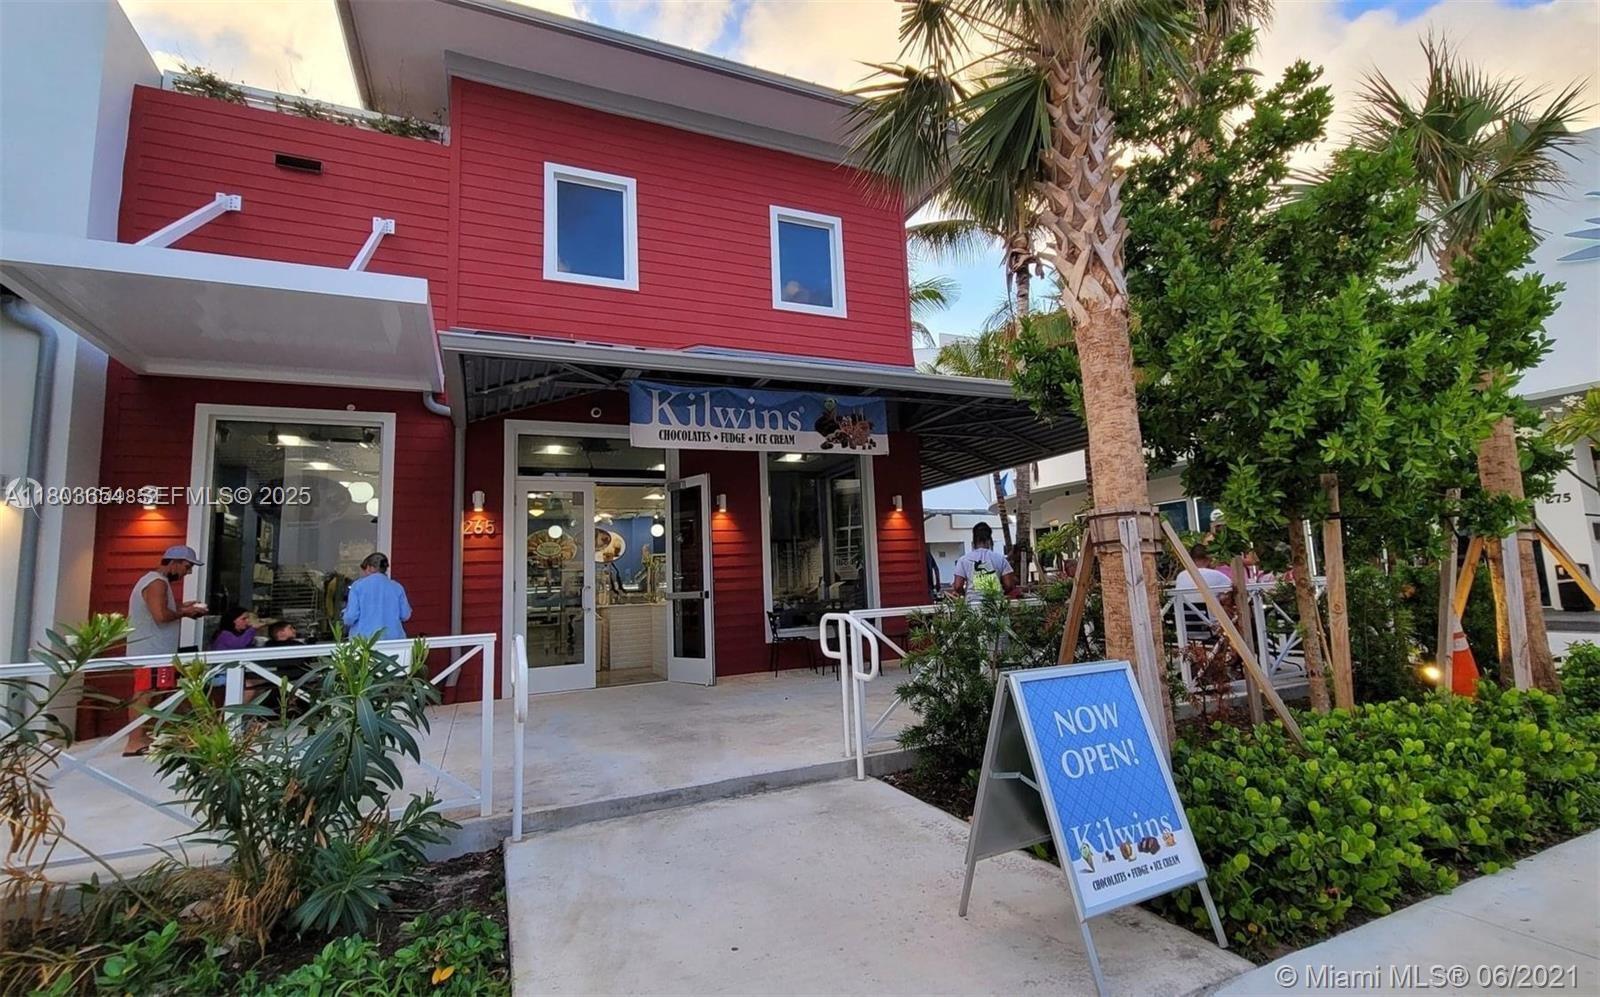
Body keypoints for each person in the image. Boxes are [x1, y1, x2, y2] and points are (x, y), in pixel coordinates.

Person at [124, 545, 208, 755]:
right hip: (150, 651)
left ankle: (144, 735)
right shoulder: (156, 582)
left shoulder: (157, 582)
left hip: (157, 651)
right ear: (174, 562)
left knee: (158, 691)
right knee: (144, 693)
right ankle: (134, 741)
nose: (187, 572)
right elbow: (160, 616)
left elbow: (161, 610)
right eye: (187, 567)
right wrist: (186, 613)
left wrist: (183, 607)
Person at [342, 552, 412, 639]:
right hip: (393, 640)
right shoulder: (397, 587)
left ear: (370, 567)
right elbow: (405, 615)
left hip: (365, 642)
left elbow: (350, 617)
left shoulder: (358, 586)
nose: (364, 574)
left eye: (365, 570)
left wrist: (344, 616)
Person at [948, 522, 1018, 602]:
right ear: (989, 540)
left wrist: (965, 595)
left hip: (973, 605)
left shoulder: (963, 560)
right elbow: (1009, 584)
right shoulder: (1000, 559)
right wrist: (1000, 593)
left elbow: (957, 586)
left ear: (974, 540)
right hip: (995, 605)